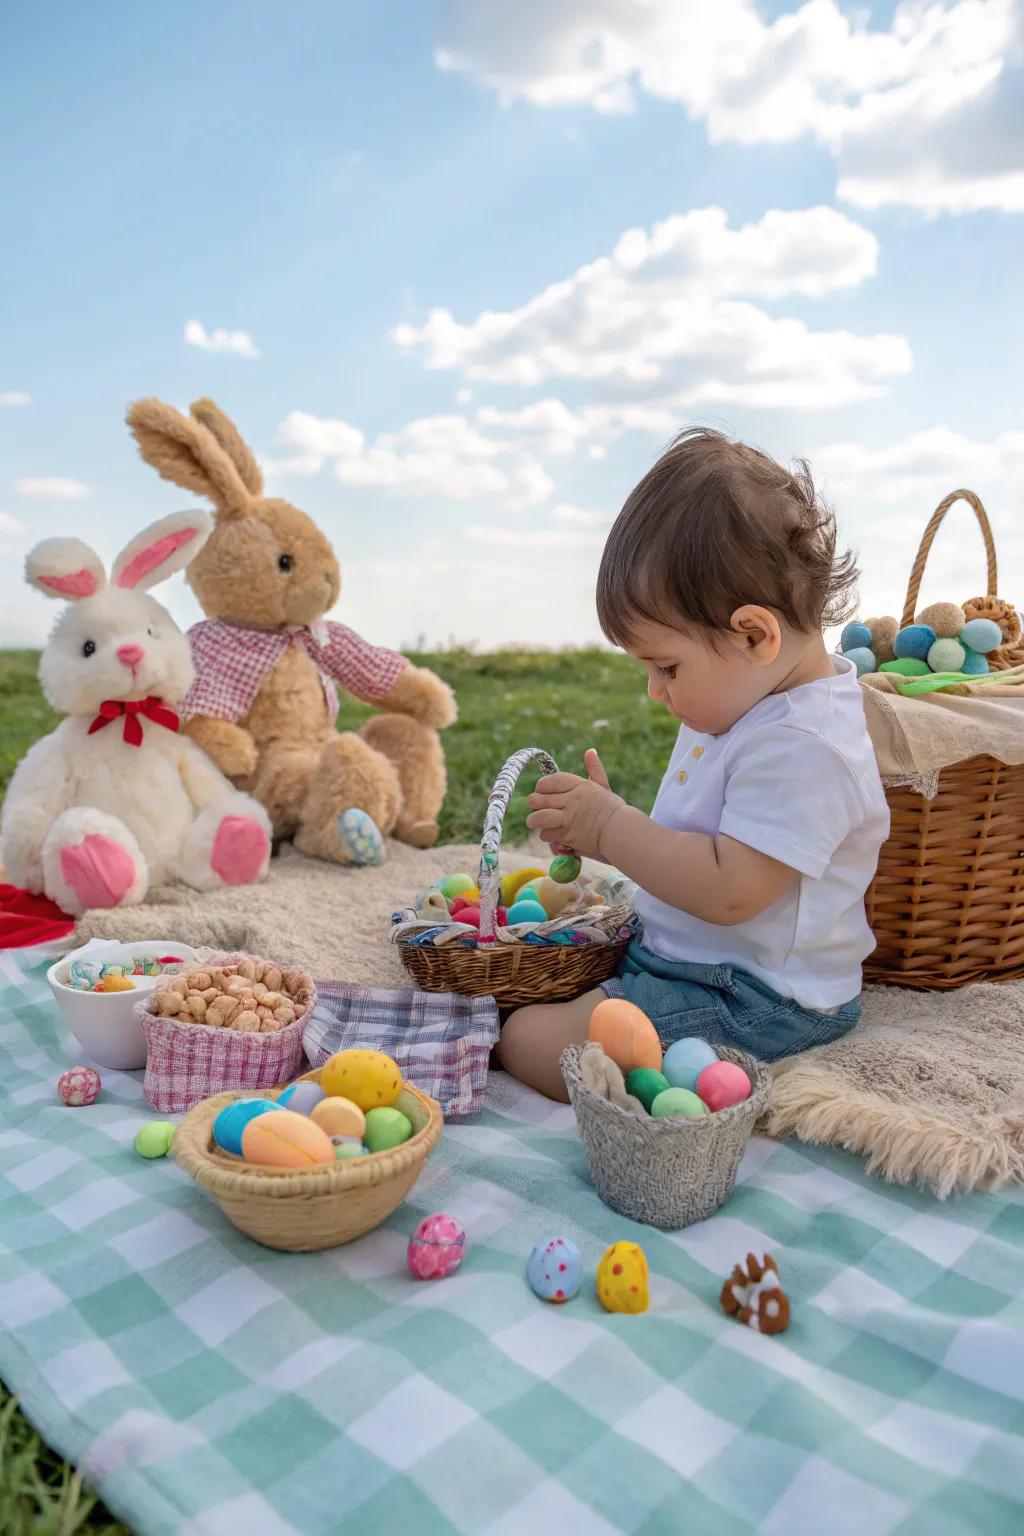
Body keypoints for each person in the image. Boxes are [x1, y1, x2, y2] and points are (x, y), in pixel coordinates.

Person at [496, 428, 889, 1101]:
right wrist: (609, 833)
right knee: (533, 988)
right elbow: (697, 848)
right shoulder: (740, 696)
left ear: (754, 634)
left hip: (759, 1001)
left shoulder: (805, 743)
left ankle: (687, 1082)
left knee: (523, 1038)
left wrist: (614, 828)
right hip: (695, 965)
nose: (655, 689)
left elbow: (729, 891)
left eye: (666, 666)